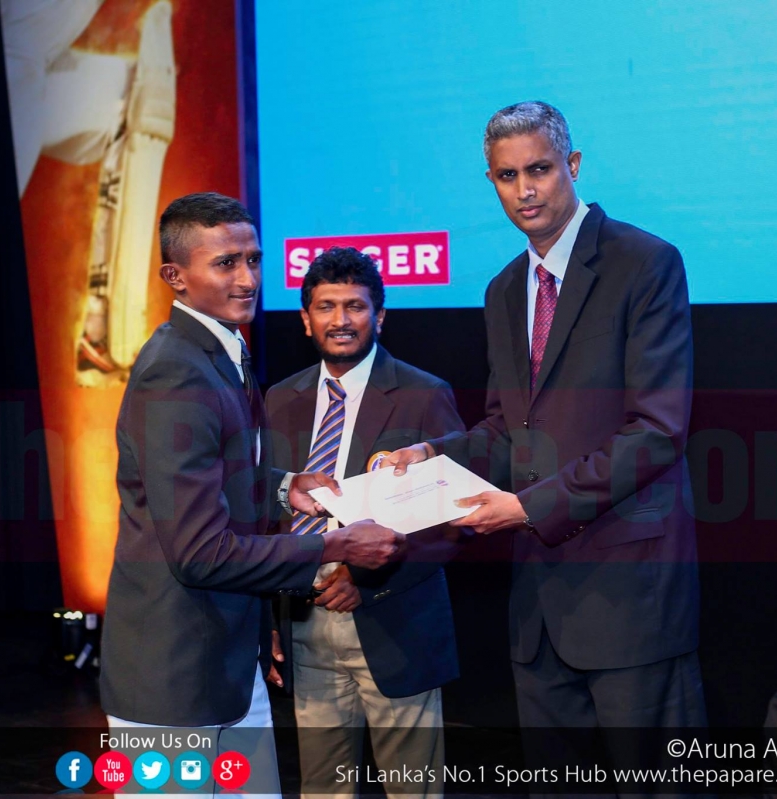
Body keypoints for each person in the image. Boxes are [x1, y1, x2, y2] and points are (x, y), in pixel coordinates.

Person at [384, 102, 706, 739]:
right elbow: (509, 430)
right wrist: (430, 458)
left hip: (631, 599)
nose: (525, 190)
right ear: (492, 181)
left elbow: (656, 432)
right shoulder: (504, 290)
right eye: (508, 176)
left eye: (540, 169)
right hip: (538, 609)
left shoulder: (644, 262)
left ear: (573, 165)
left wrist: (527, 508)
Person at [98, 195, 403, 791]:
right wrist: (333, 545)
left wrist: (287, 488)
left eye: (254, 260)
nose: (247, 279)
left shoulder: (220, 351)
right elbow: (199, 552)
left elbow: (211, 479)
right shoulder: (176, 369)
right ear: (175, 276)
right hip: (174, 676)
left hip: (225, 666)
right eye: (226, 263)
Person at [265, 248, 465, 798]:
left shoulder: (423, 394)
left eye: (355, 306)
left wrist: (369, 578)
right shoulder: (279, 399)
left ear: (380, 315)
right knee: (322, 789)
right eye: (326, 307)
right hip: (304, 620)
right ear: (305, 319)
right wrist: (271, 620)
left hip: (396, 623)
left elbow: (454, 523)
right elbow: (266, 513)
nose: (341, 320)